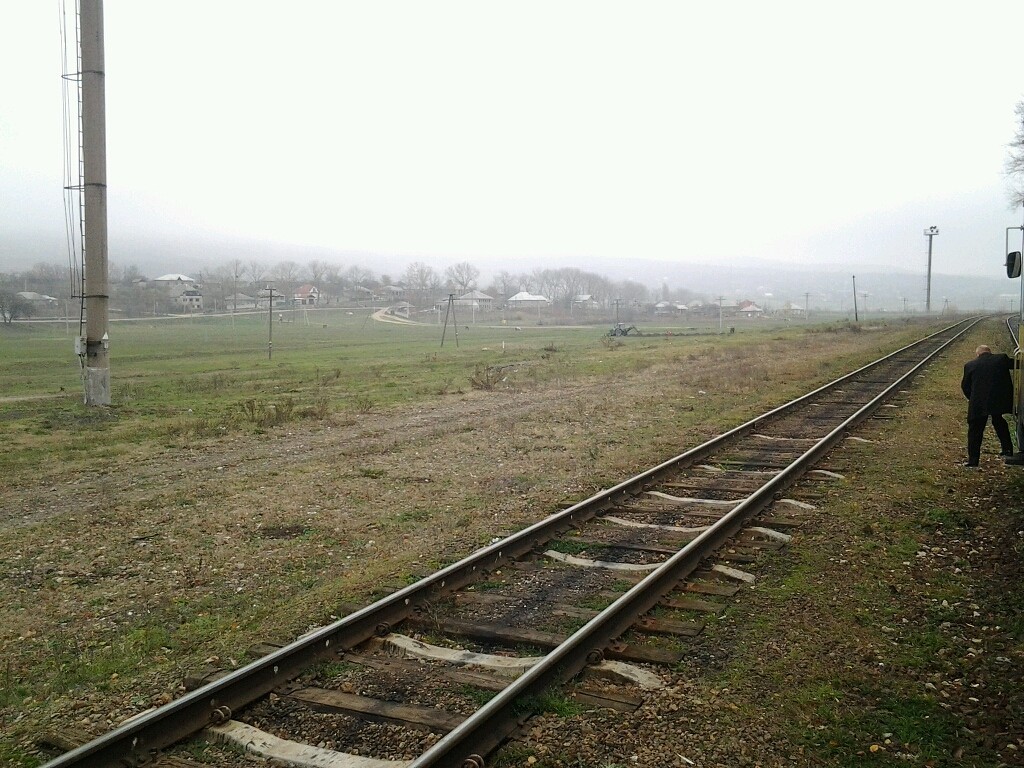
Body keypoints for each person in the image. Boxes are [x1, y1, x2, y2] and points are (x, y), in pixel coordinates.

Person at [960, 344, 1015, 466]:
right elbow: (1016, 364)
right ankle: (1008, 450)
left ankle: (973, 461)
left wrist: (973, 398)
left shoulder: (970, 365)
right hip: (998, 401)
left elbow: (965, 386)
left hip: (978, 402)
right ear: (990, 352)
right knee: (999, 422)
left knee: (975, 430)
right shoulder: (1001, 359)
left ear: (978, 354)